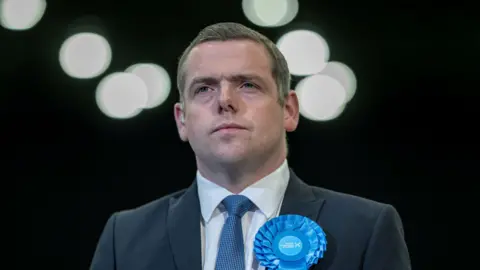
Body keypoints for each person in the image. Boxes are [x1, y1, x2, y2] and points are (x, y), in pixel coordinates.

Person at [90, 22, 411, 270]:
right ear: (182, 120)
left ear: (289, 109)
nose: (225, 101)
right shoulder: (125, 237)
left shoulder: (366, 229)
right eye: (204, 89)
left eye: (247, 85)